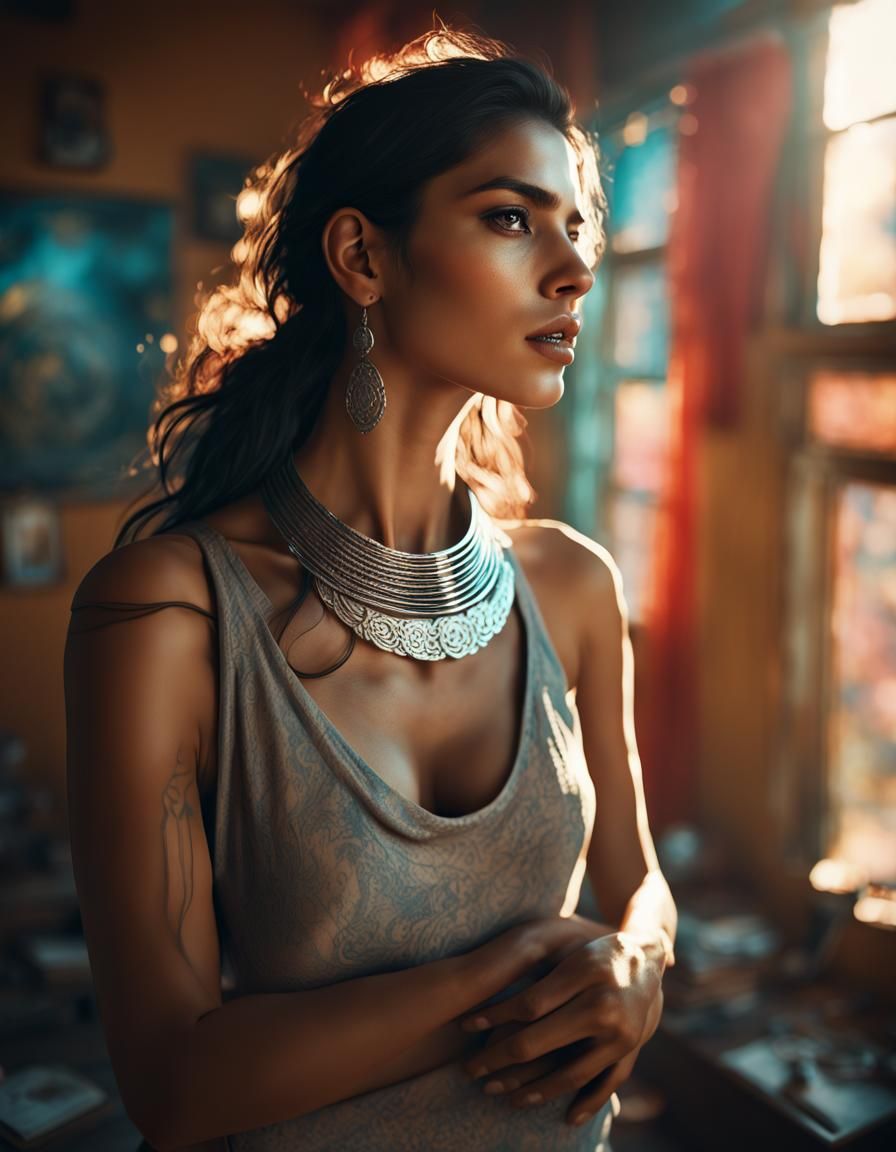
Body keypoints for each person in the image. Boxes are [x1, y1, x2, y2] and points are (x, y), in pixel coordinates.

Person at [64, 25, 677, 1152]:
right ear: (361, 257)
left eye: (574, 223)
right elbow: (174, 1086)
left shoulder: (572, 584)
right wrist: (509, 972)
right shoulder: (164, 616)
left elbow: (638, 881)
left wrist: (637, 962)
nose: (573, 264)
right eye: (509, 217)